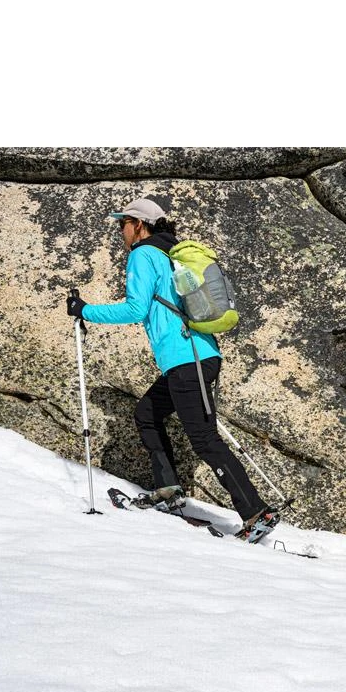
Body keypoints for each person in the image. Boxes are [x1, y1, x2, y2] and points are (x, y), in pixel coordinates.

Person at [67, 196, 279, 540]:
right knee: (147, 413)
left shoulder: (142, 254)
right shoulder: (171, 253)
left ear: (139, 225)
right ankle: (168, 490)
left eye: (123, 223)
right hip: (197, 356)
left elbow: (136, 309)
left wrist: (85, 310)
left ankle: (256, 513)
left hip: (186, 360)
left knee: (204, 439)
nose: (120, 231)